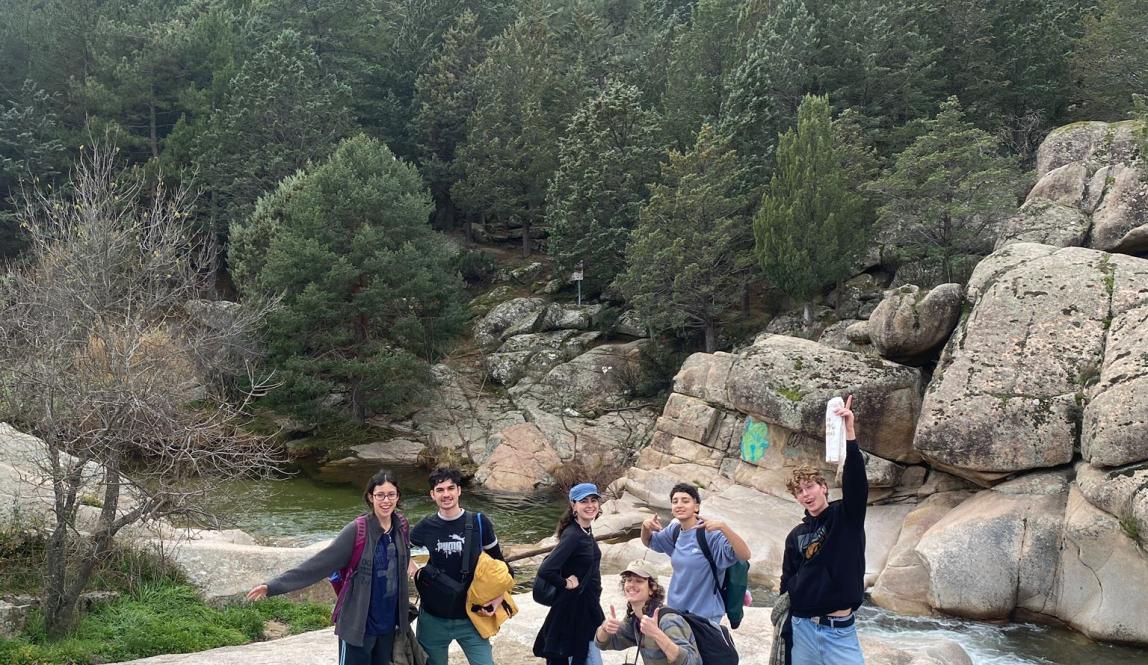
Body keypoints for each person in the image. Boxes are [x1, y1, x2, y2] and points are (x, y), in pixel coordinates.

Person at [246, 469, 416, 665]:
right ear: (371, 497)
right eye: (380, 495)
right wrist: (273, 586)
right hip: (358, 625)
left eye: (391, 494)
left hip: (388, 624)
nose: (386, 501)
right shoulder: (358, 530)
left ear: (398, 496)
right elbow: (319, 564)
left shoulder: (401, 525)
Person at [780, 395, 866, 665]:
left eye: (810, 487)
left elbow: (857, 484)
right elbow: (787, 580)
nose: (806, 494)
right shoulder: (796, 535)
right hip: (802, 627)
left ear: (823, 486)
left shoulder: (846, 515)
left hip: (838, 632)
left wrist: (849, 433)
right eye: (800, 491)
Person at [410, 467, 504, 665]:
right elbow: (397, 549)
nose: (446, 494)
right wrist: (414, 570)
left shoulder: (480, 522)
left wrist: (497, 599)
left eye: (450, 488)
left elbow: (501, 566)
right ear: (432, 495)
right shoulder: (426, 526)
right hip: (433, 620)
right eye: (440, 490)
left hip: (471, 617)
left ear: (459, 490)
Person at [640, 482, 751, 624]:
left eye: (685, 501)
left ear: (696, 507)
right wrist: (645, 527)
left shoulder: (710, 534)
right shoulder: (674, 531)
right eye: (675, 501)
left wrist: (724, 527)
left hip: (704, 616)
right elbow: (649, 542)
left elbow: (745, 555)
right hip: (676, 612)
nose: (679, 505)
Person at [533, 483, 606, 665]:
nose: (590, 505)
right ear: (573, 505)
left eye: (593, 500)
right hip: (573, 612)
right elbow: (546, 569)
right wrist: (565, 583)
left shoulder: (584, 530)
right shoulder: (573, 535)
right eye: (584, 501)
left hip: (585, 609)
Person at [595, 560, 702, 665]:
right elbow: (604, 644)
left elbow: (692, 661)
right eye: (628, 580)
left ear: (652, 588)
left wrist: (656, 634)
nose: (631, 584)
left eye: (639, 581)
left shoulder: (668, 620)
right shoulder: (635, 619)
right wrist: (605, 628)